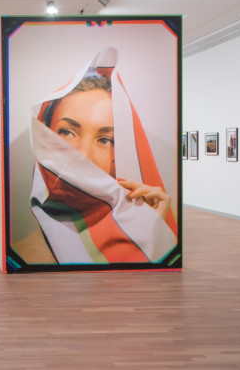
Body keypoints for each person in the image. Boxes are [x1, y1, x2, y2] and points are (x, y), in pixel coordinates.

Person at [21, 47, 177, 264]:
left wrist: (151, 234)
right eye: (67, 132)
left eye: (105, 140)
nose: (83, 155)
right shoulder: (19, 258)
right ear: (44, 139)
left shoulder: (154, 236)